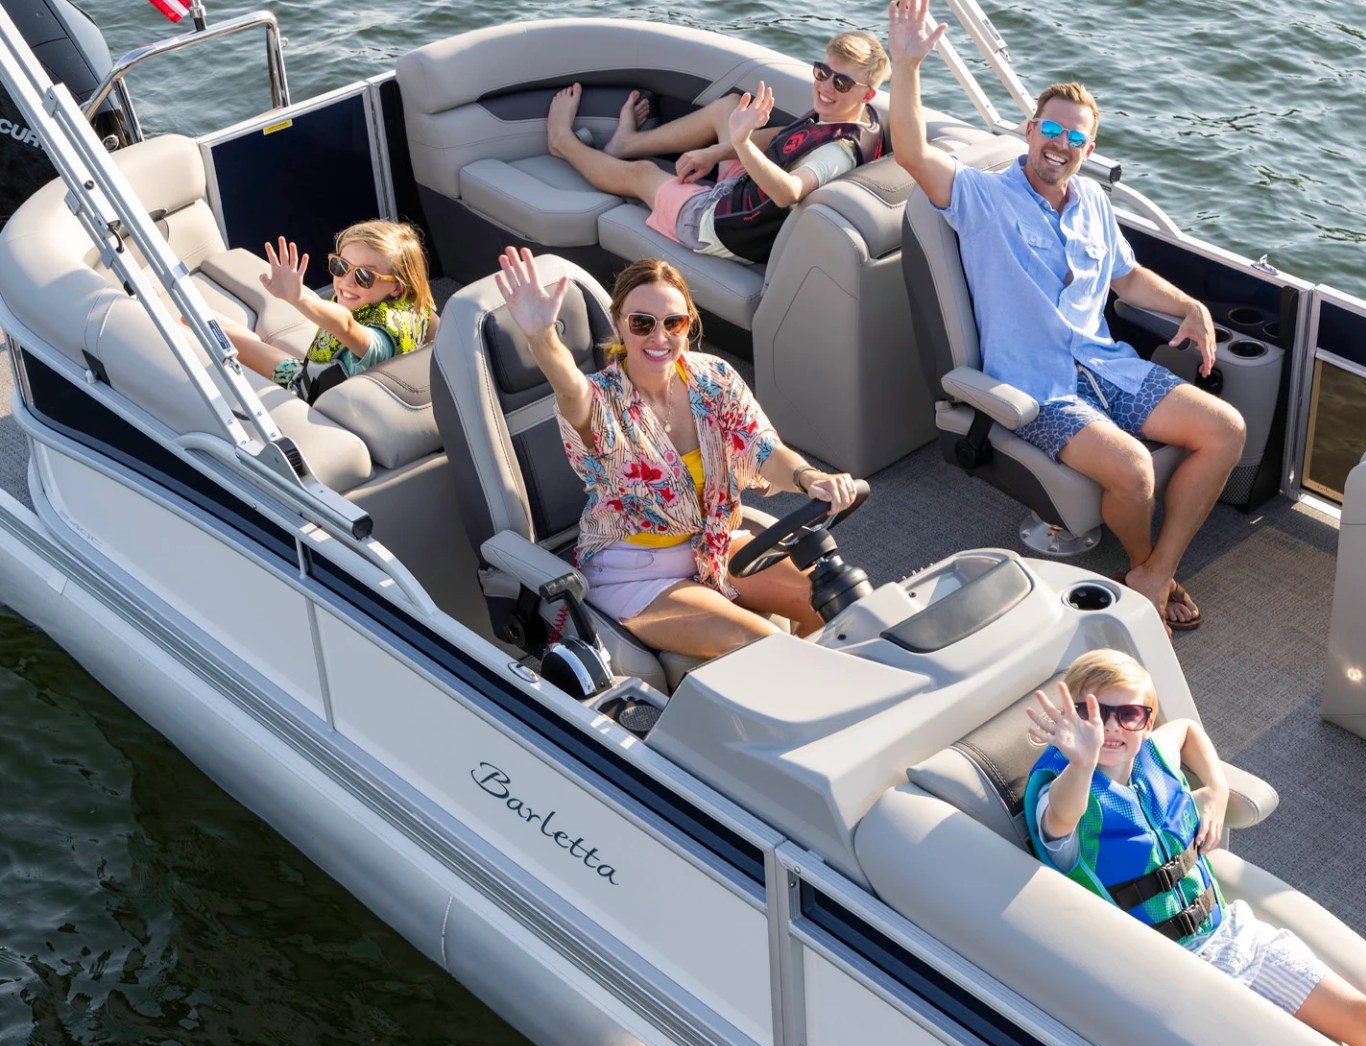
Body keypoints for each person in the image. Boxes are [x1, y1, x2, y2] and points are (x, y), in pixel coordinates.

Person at [887, 0, 1244, 633]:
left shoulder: (1094, 204)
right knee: (1133, 470)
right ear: (1030, 130)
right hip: (1037, 384)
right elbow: (912, 153)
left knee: (1225, 429)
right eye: (1052, 130)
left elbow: (1126, 277)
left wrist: (1190, 306)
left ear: (1089, 149)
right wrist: (908, 65)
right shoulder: (982, 195)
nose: (1062, 144)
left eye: (1077, 138)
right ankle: (1143, 564)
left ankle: (1154, 573)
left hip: (1106, 366)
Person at [1024, 650, 1366, 1046]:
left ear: (1147, 721)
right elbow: (1061, 819)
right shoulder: (1065, 794)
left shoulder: (1152, 753)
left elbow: (1189, 730)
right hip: (1178, 976)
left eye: (1129, 714)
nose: (1111, 726)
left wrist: (1216, 789)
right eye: (1094, 713)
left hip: (1235, 936)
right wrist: (1082, 762)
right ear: (1072, 718)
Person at [492, 246, 861, 658]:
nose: (659, 337)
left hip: (715, 546)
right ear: (619, 325)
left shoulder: (715, 378)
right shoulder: (601, 399)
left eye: (674, 322)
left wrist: (808, 477)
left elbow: (763, 449)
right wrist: (542, 336)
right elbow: (569, 388)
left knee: (835, 602)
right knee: (767, 648)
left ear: (689, 323)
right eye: (642, 323)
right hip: (635, 573)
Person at [545, 31, 889, 266]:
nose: (826, 86)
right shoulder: (853, 116)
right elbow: (787, 137)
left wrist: (739, 142)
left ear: (868, 94)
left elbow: (788, 192)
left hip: (729, 230)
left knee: (643, 173)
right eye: (822, 72)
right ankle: (627, 143)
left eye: (841, 82)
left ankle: (562, 142)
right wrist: (716, 153)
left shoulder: (837, 152)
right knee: (730, 108)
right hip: (746, 192)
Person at [216, 220, 435, 401]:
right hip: (316, 378)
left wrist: (299, 298)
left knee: (219, 335)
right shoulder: (417, 309)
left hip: (310, 397)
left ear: (397, 287)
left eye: (364, 276)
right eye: (341, 266)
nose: (347, 281)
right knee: (228, 330)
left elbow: (346, 326)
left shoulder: (379, 344)